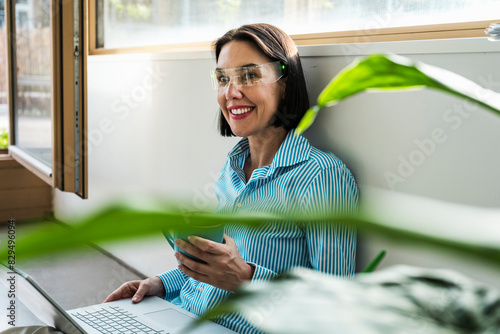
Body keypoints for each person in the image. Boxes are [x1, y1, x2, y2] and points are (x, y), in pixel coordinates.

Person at [105, 23, 358, 334]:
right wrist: (161, 284)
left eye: (249, 75)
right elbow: (219, 269)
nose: (231, 92)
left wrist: (248, 279)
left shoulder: (321, 176)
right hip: (184, 316)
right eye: (223, 78)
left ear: (285, 80)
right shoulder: (234, 166)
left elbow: (336, 308)